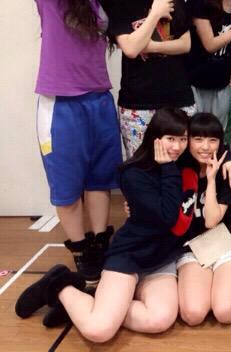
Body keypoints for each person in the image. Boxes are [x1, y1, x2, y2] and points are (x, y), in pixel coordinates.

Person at [16, 108, 192, 343]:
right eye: (171, 138)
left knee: (159, 320)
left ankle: (90, 304)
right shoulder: (133, 173)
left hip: (160, 258)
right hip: (130, 255)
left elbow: (212, 148)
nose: (177, 146)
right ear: (155, 137)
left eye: (183, 139)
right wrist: (168, 168)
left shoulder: (185, 165)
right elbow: (167, 216)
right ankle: (61, 286)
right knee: (99, 331)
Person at [31, 0, 124, 286]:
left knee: (100, 180)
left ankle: (100, 243)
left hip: (99, 100)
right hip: (61, 106)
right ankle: (82, 250)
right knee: (68, 186)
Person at [108, 0, 196, 158]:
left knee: (180, 168)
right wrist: (155, 14)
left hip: (178, 99)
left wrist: (150, 47)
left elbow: (185, 44)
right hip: (137, 104)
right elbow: (130, 49)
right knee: (141, 168)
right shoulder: (119, 1)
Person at [177, 113, 231, 325]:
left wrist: (212, 180)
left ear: (220, 143)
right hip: (193, 246)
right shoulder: (178, 167)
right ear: (187, 140)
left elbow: (211, 221)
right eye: (198, 139)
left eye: (212, 140)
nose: (205, 147)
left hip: (229, 242)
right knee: (193, 314)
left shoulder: (229, 170)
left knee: (224, 312)